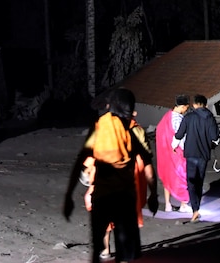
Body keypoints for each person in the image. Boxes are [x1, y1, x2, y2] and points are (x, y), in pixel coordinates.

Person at [64, 88, 158, 263]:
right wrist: (153, 194)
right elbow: (147, 165)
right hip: (126, 192)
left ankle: (105, 251)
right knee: (125, 241)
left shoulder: (101, 126)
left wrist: (70, 193)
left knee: (101, 231)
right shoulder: (135, 131)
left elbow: (85, 159)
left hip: (102, 191)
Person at [172, 94, 220, 223]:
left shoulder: (188, 117)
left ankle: (195, 209)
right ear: (206, 105)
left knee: (191, 182)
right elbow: (215, 137)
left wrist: (173, 146)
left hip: (190, 153)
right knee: (199, 181)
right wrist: (216, 141)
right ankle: (196, 207)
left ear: (194, 105)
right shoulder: (210, 118)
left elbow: (179, 134)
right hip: (204, 154)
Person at [155, 94, 191, 213]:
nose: (186, 110)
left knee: (167, 178)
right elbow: (180, 136)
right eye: (186, 107)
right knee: (183, 177)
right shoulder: (178, 119)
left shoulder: (166, 116)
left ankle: (168, 205)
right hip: (176, 153)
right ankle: (183, 204)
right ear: (182, 107)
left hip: (164, 153)